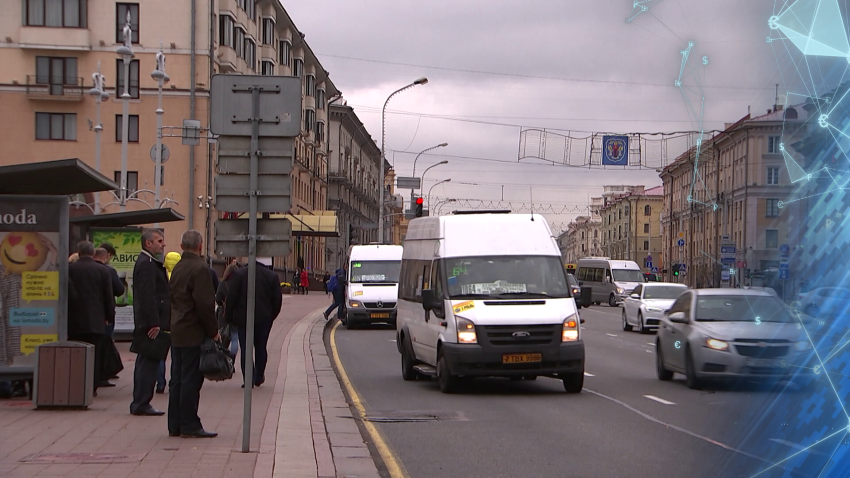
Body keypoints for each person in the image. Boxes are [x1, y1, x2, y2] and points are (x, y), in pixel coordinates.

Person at [168, 230, 219, 438]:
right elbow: (205, 304)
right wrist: (213, 331)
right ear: (200, 246)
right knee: (190, 380)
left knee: (177, 379)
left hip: (177, 329)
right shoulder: (200, 268)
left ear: (181, 246)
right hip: (193, 331)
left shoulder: (178, 267)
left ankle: (175, 424)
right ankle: (189, 424)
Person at [130, 229, 170, 416]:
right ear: (148, 243)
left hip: (148, 321)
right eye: (159, 241)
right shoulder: (146, 264)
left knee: (145, 362)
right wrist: (154, 322)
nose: (163, 244)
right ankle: (142, 402)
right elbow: (148, 296)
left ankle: (141, 401)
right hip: (150, 324)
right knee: (148, 363)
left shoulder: (148, 262)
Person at [225, 257, 282, 388]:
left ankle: (248, 380)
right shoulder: (271, 276)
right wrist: (271, 316)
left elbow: (231, 298)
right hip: (264, 319)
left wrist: (229, 317)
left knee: (246, 349)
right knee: (261, 347)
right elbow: (277, 300)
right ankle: (258, 376)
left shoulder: (239, 275)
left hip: (243, 319)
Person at [68, 241, 114, 397]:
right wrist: (109, 317)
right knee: (95, 355)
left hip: (74, 320)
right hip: (96, 320)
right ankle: (92, 387)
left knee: (76, 354)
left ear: (79, 252)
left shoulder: (70, 269)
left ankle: (76, 385)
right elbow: (108, 297)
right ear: (93, 253)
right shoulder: (103, 270)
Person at [94, 247, 124, 386]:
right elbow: (119, 290)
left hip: (81, 316)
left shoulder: (73, 268)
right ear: (106, 256)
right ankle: (102, 375)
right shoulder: (108, 270)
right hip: (103, 315)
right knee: (104, 345)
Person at [215, 263, 240, 358]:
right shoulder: (239, 284)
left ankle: (222, 357)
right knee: (235, 338)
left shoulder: (223, 283)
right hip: (236, 313)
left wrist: (222, 304)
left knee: (222, 336)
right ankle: (232, 358)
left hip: (224, 314)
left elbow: (218, 298)